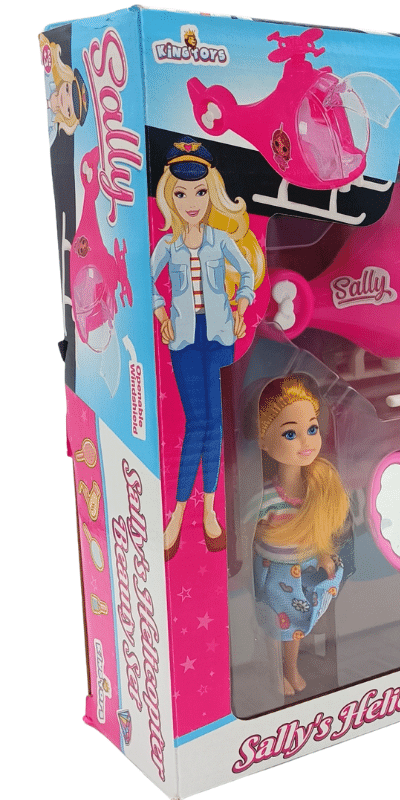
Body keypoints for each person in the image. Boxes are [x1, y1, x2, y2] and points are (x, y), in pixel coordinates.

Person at [151, 136, 264, 560]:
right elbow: (145, 282)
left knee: (214, 424)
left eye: (199, 192)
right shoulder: (168, 246)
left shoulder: (220, 241)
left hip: (219, 337)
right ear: (170, 196)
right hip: (183, 340)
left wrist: (241, 306)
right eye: (181, 194)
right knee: (197, 423)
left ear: (211, 192)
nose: (191, 202)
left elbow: (247, 276)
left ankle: (210, 510)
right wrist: (162, 313)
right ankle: (180, 512)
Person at [253, 375, 350, 696]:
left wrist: (323, 554)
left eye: (312, 429)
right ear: (263, 442)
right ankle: (275, 672)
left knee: (294, 628)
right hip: (275, 573)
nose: (305, 442)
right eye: (290, 434)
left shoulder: (317, 489)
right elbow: (247, 533)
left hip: (306, 569)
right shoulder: (267, 498)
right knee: (275, 625)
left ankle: (290, 669)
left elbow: (319, 530)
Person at [40, 33, 89, 145]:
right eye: (67, 89)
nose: (65, 99)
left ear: (68, 119)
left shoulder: (52, 133)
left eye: (68, 109)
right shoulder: (49, 75)